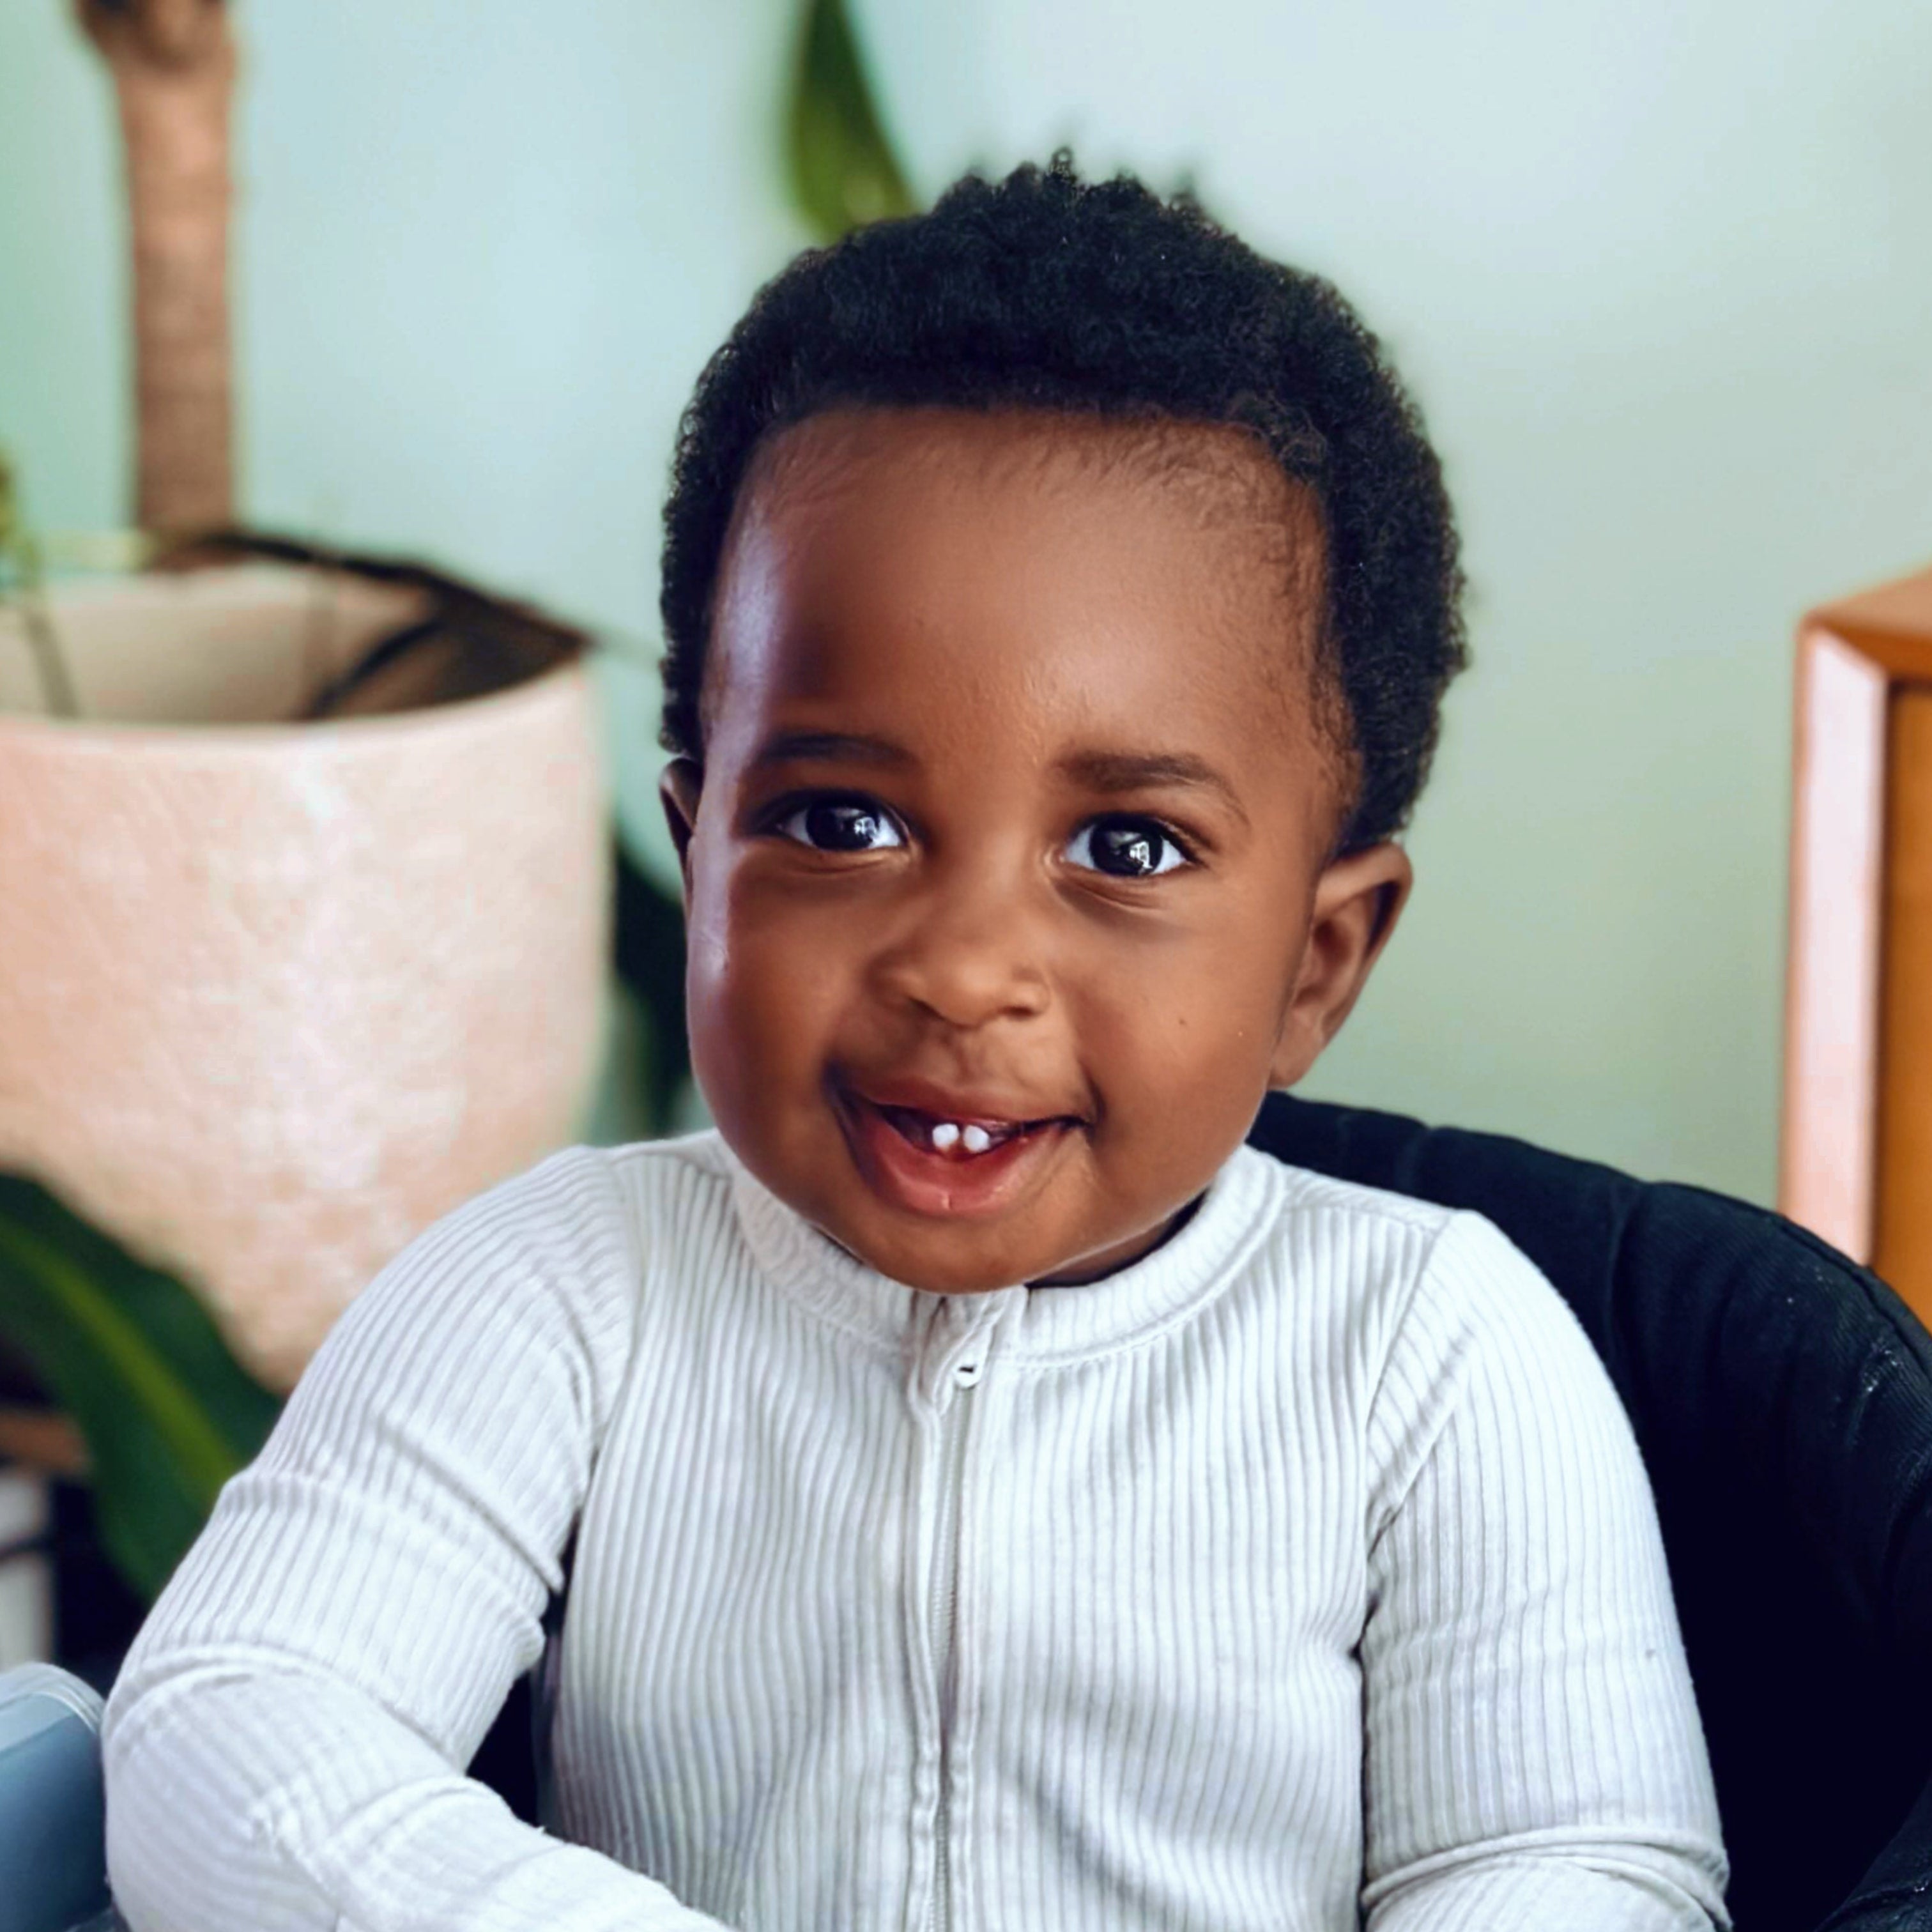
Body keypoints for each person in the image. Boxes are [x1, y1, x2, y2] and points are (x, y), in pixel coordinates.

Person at [102, 156, 1729, 1931]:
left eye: (1126, 849)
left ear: (1318, 963)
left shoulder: (1432, 1357)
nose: (963, 971)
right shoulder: (559, 1292)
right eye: (839, 823)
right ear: (696, 833)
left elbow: (1583, 1872)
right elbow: (234, 1726)